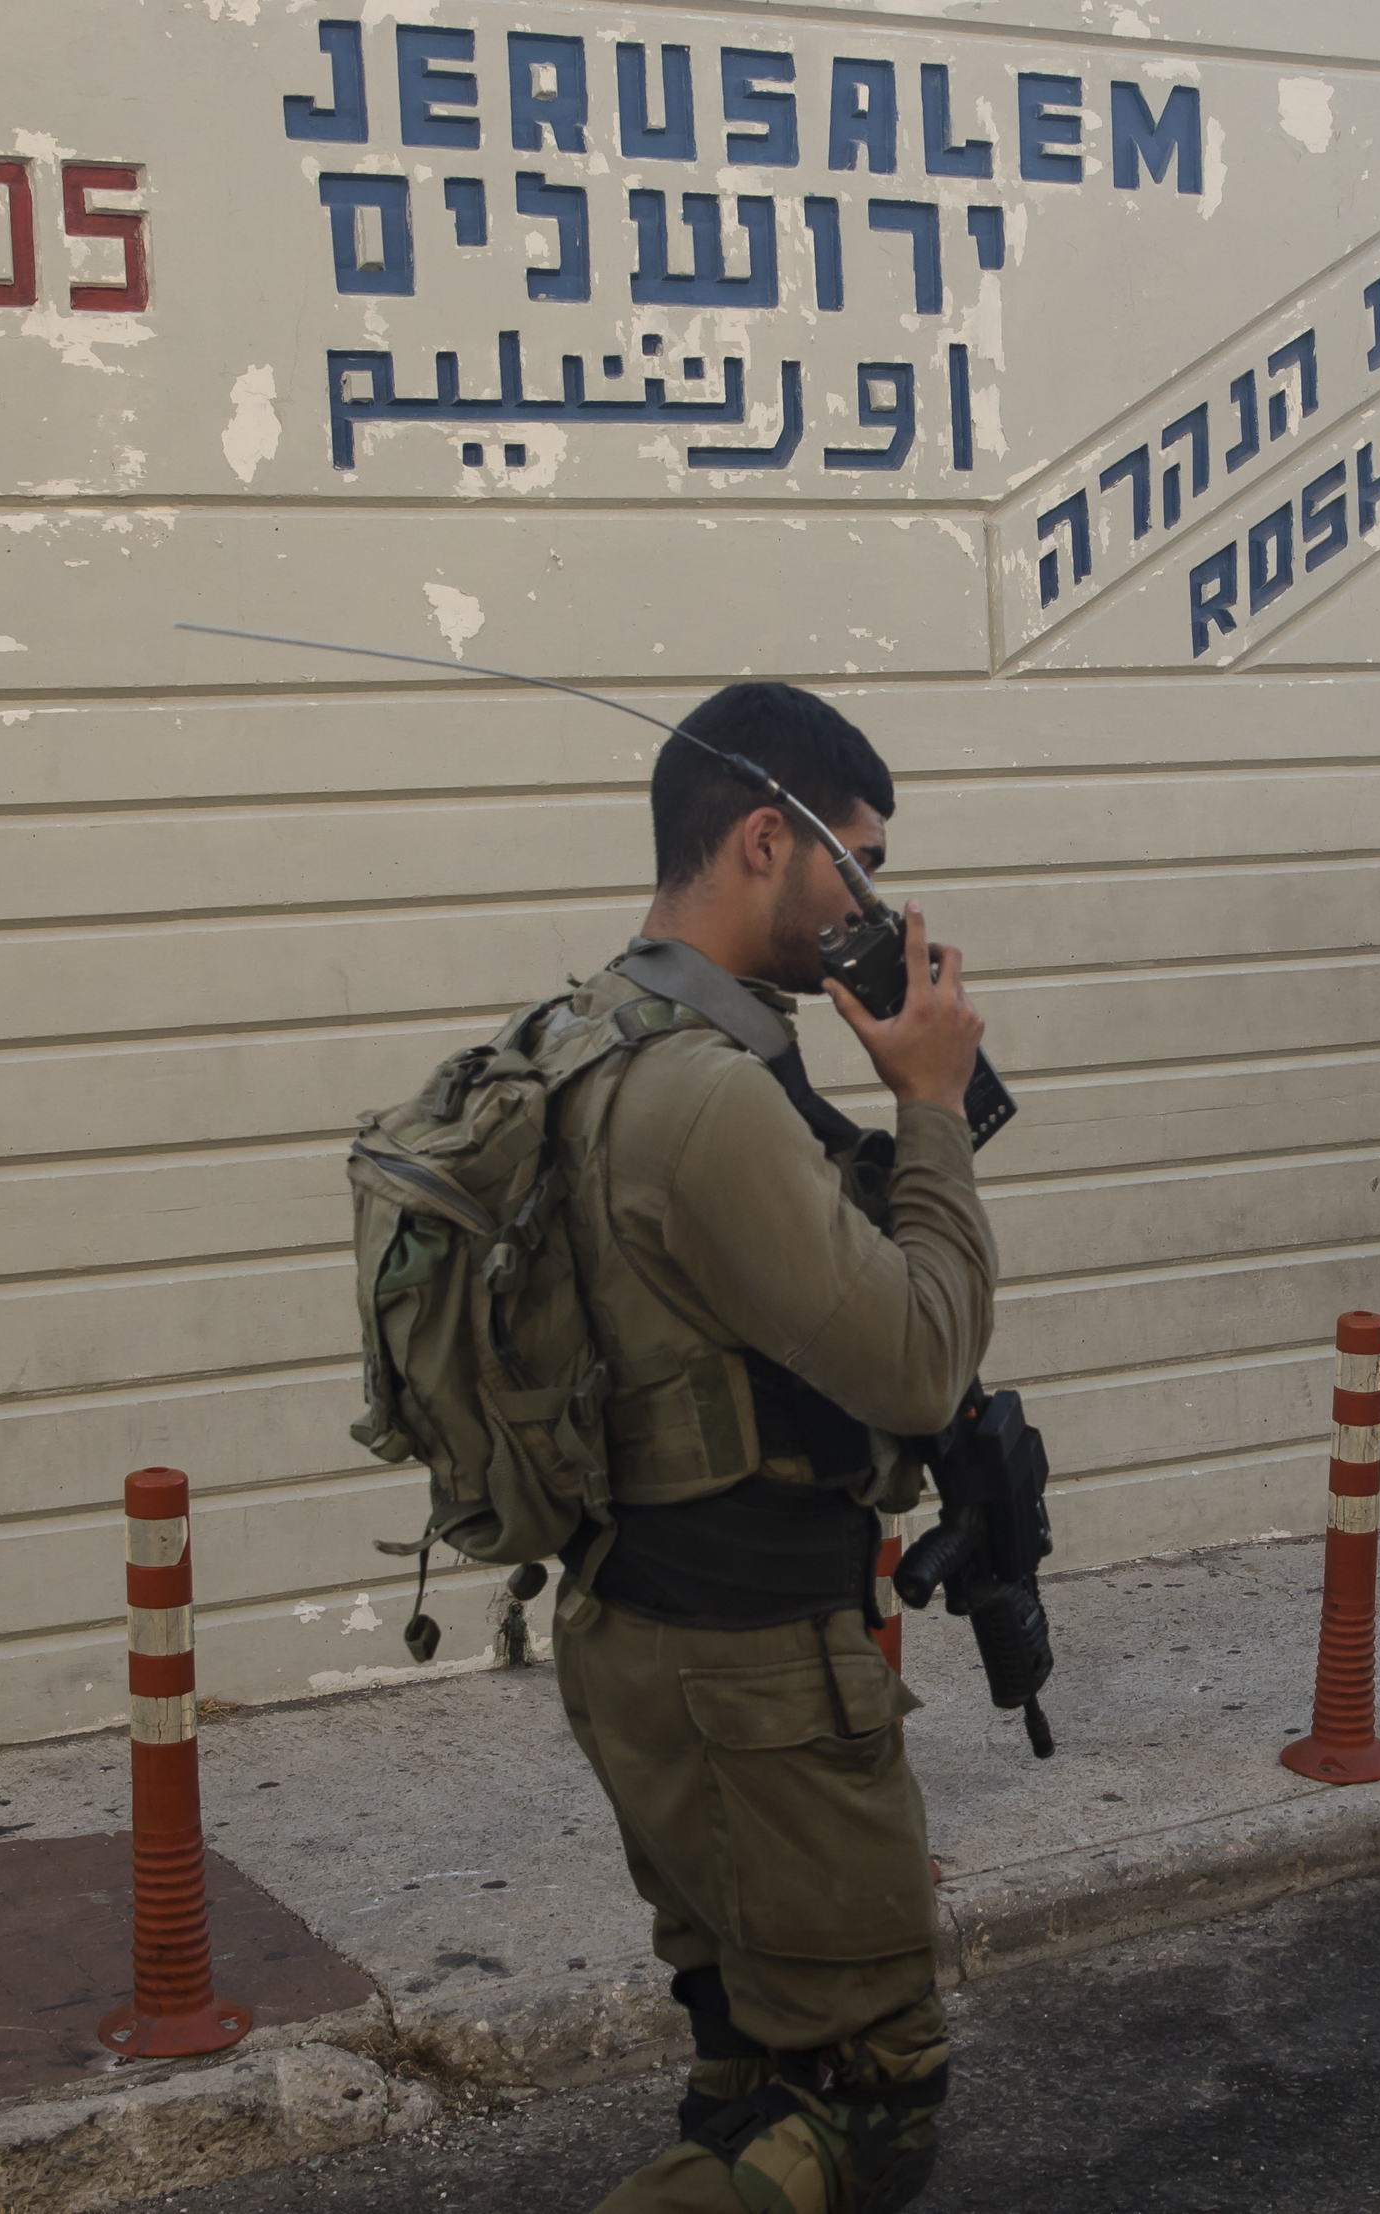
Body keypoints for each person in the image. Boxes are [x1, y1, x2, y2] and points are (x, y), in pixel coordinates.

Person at [546, 684, 994, 2214]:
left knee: (752, 2062)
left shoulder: (594, 1032)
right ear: (763, 838)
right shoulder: (708, 1097)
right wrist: (930, 1106)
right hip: (750, 1669)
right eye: (854, 864)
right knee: (868, 2101)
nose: (874, 903)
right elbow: (922, 1362)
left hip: (651, 1634)